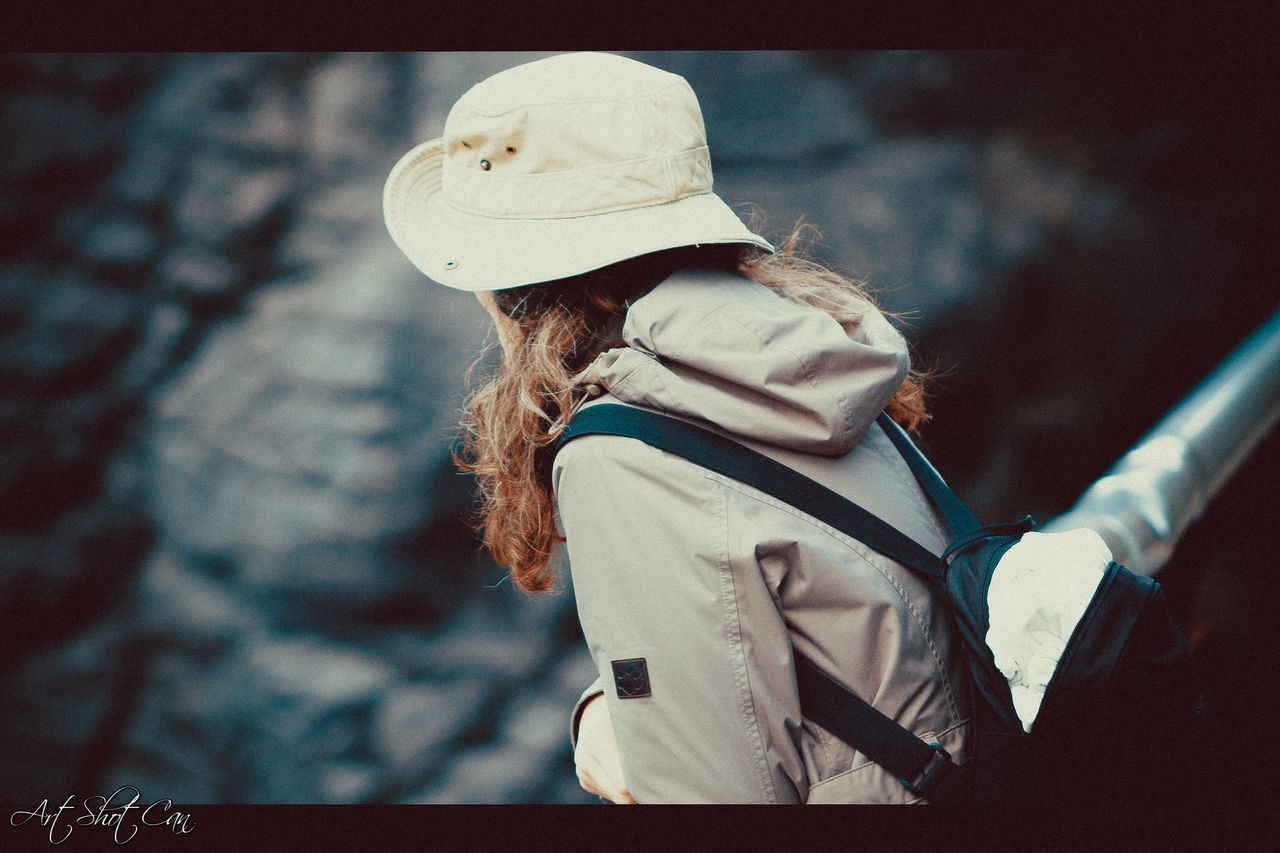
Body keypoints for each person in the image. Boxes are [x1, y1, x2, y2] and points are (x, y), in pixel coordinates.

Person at [383, 51, 972, 803]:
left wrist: (611, 733)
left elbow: (709, 792)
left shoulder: (625, 450)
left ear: (508, 284)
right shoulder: (809, 355)